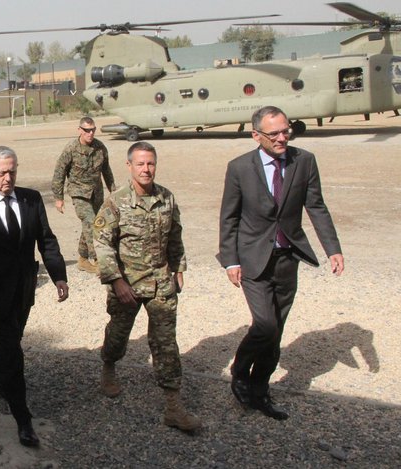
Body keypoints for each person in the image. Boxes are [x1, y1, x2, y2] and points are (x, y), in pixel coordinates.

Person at [218, 105, 344, 420]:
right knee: (265, 325)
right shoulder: (239, 168)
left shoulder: (304, 161)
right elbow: (229, 217)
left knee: (277, 330)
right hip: (252, 261)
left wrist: (333, 248)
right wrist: (231, 260)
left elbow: (316, 206)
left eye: (285, 130)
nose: (282, 137)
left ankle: (259, 390)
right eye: (273, 133)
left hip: (287, 260)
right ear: (256, 135)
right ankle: (240, 369)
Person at [0, 146, 68, 447]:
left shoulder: (31, 199)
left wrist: (58, 275)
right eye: (2, 172)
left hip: (24, 289)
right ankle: (23, 418)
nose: (8, 177)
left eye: (12, 171)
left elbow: (46, 240)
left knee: (11, 340)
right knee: (12, 349)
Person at [93, 141, 201, 432]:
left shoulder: (167, 198)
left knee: (166, 343)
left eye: (150, 163)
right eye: (140, 164)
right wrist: (116, 280)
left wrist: (179, 268)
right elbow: (102, 244)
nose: (146, 169)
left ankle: (173, 407)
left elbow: (175, 236)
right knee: (118, 335)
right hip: (126, 285)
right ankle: (109, 366)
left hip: (160, 283)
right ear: (129, 166)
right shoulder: (115, 202)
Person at [52, 116, 116, 274]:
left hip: (96, 193)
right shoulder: (71, 149)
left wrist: (114, 191)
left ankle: (82, 258)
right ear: (79, 130)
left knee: (90, 224)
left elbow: (107, 171)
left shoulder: (100, 148)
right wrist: (58, 198)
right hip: (78, 192)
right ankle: (97, 260)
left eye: (93, 130)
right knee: (91, 222)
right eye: (87, 130)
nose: (90, 133)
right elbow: (59, 172)